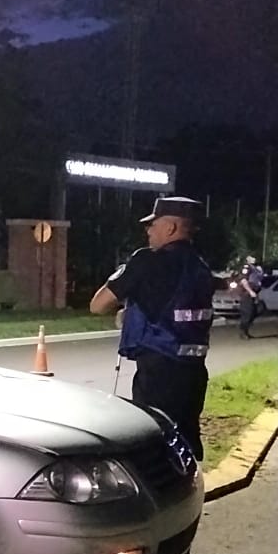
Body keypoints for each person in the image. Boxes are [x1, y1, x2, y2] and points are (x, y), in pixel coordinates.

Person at [89, 196, 215, 460]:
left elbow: (98, 305)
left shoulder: (147, 261)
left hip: (158, 373)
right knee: (186, 445)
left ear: (170, 227)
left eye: (153, 224)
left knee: (154, 448)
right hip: (194, 373)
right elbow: (172, 306)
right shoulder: (201, 268)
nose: (148, 230)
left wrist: (127, 308)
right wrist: (132, 313)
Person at [237, 254, 264, 338]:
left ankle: (246, 328)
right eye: (252, 257)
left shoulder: (257, 268)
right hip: (247, 293)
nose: (254, 259)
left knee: (259, 309)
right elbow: (243, 280)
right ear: (247, 259)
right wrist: (250, 291)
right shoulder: (246, 267)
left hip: (255, 292)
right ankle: (243, 332)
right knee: (247, 312)